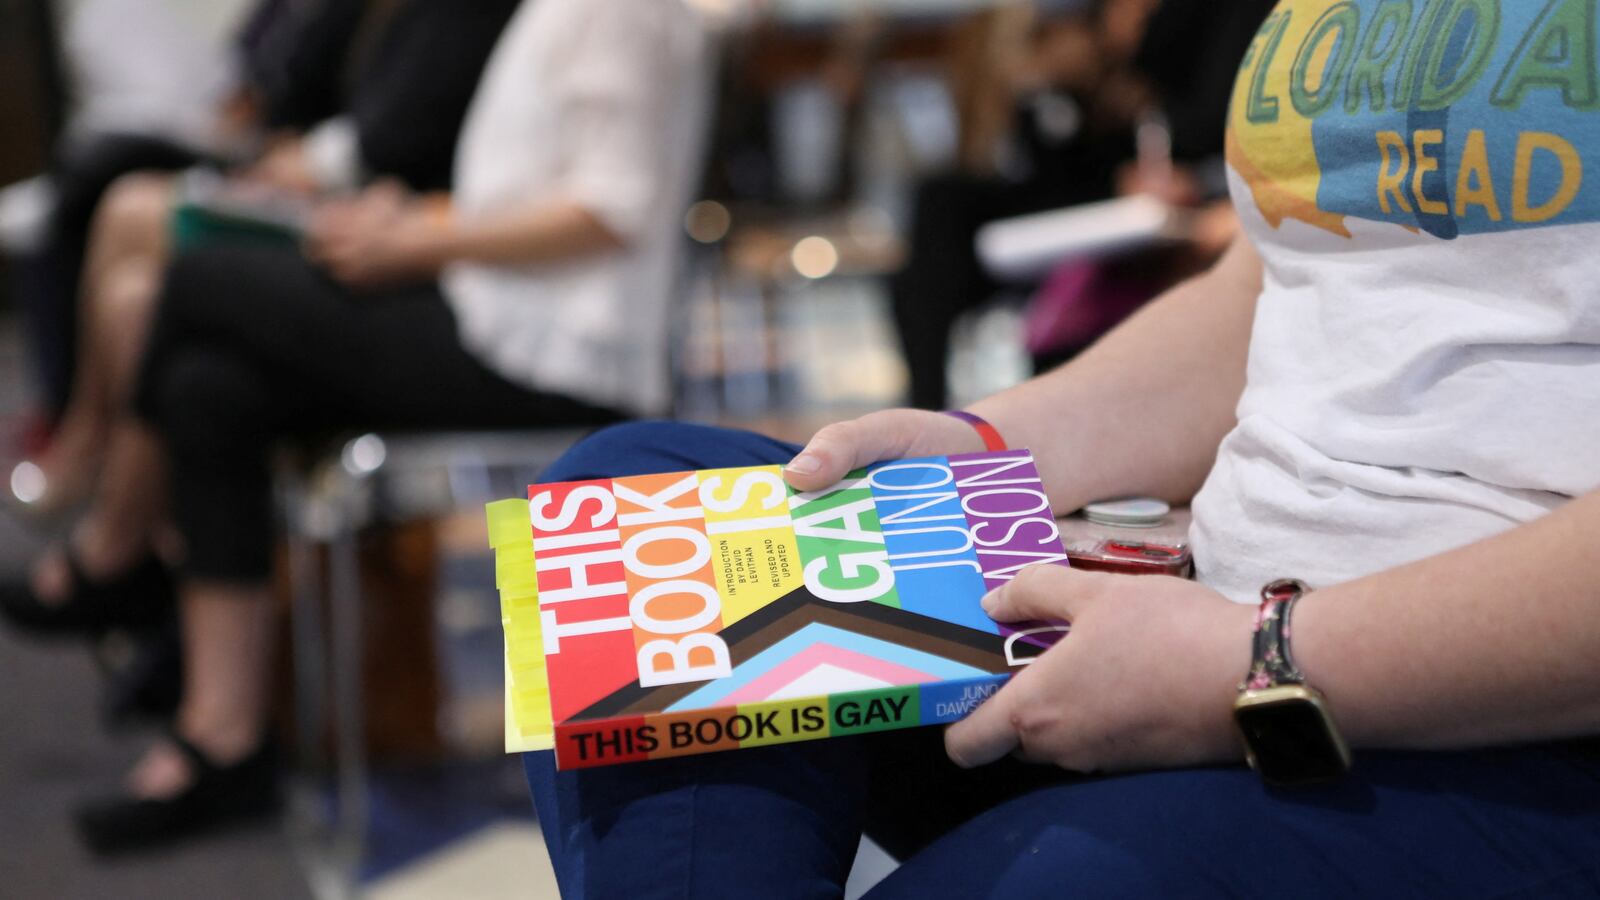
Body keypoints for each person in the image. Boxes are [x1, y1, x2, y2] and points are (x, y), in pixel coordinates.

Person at [523, 0, 1600, 894]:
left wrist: (1249, 661)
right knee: (627, 526)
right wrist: (987, 446)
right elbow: (1280, 281)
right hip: (1201, 630)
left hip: (1486, 716)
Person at [1, 0, 714, 854]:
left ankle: (112, 552)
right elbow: (535, 185)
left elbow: (612, 206)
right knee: (208, 386)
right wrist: (416, 226)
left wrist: (421, 240)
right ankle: (223, 732)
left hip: (552, 357)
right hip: (499, 314)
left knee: (196, 279)